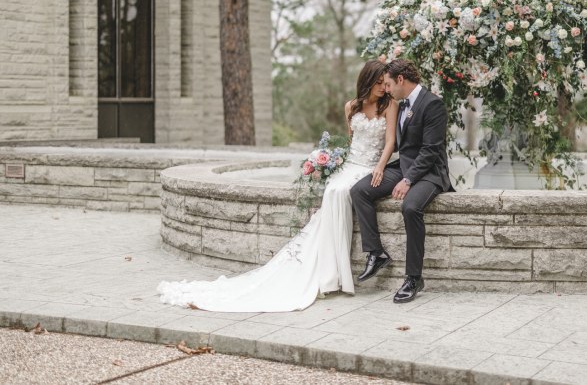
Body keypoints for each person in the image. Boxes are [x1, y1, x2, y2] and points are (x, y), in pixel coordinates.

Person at [157, 60, 398, 312]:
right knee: (333, 192)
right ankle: (330, 271)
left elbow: (390, 141)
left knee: (339, 193)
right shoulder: (351, 106)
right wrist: (333, 163)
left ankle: (337, 271)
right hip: (351, 164)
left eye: (385, 83)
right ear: (367, 81)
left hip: (371, 165)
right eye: (379, 82)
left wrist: (380, 167)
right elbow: (352, 141)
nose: (383, 87)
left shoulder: (389, 105)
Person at [350, 59, 452, 304]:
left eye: (387, 84)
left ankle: (414, 278)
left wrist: (407, 179)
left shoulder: (433, 104)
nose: (386, 89)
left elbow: (430, 151)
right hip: (405, 167)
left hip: (430, 173)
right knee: (360, 191)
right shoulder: (402, 104)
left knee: (410, 207)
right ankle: (376, 252)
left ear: (400, 80)